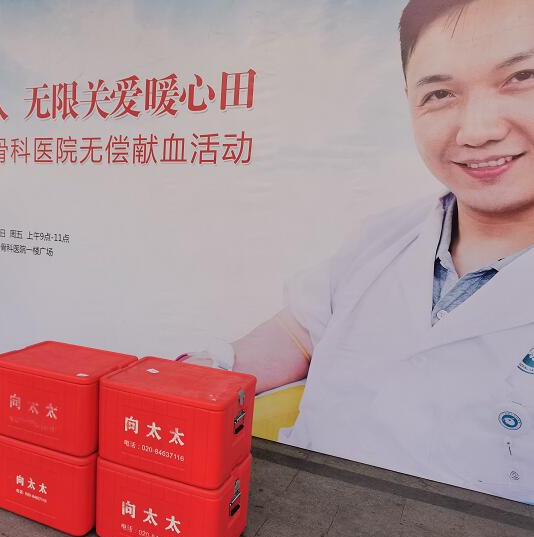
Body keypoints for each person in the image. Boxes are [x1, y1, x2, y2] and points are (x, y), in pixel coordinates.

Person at [186, 0, 534, 503]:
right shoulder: (384, 237)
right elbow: (299, 332)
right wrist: (203, 372)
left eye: (521, 77)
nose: (477, 131)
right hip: (293, 513)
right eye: (440, 93)